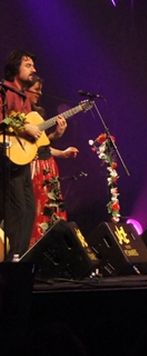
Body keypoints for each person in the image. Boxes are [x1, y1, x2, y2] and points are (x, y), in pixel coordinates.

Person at [25, 75, 78, 246]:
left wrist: (62, 149)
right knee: (36, 209)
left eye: (41, 89)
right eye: (36, 89)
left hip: (48, 166)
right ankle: (34, 246)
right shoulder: (18, 114)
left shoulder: (39, 114)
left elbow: (43, 146)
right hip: (33, 168)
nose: (39, 93)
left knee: (52, 208)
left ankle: (53, 247)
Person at [0, 50, 42, 259]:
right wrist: (23, 128)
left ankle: (20, 256)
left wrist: (54, 133)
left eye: (33, 65)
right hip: (7, 160)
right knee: (18, 211)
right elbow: (3, 121)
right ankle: (12, 258)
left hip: (22, 160)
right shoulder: (4, 92)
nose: (33, 69)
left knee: (30, 211)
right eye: (28, 65)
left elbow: (32, 137)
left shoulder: (25, 98)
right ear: (15, 68)